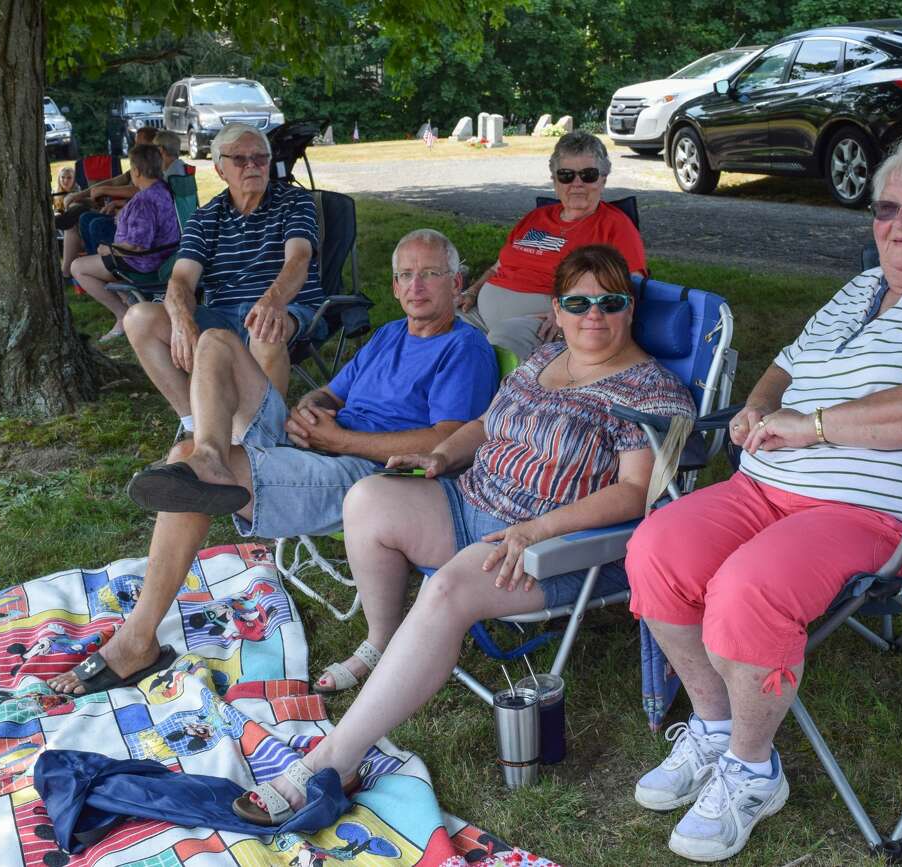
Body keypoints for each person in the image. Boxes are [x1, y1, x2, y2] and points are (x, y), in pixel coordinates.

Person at [623, 137, 902, 863]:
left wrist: (817, 428)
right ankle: (714, 724)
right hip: (767, 485)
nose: (900, 225)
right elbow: (784, 370)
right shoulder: (859, 290)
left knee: (747, 588)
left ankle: (754, 771)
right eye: (887, 209)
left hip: (890, 516)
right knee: (656, 549)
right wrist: (755, 411)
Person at [229, 245, 695, 825]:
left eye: (610, 301)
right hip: (470, 499)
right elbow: (482, 423)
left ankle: (333, 760)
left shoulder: (652, 392)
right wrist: (439, 455)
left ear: (630, 309)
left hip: (552, 544)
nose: (592, 314)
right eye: (578, 301)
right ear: (557, 307)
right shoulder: (544, 357)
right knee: (368, 498)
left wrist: (536, 528)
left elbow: (634, 493)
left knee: (446, 590)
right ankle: (384, 640)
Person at [46, 229, 498, 697]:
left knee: (180, 462)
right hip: (316, 444)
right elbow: (333, 391)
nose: (416, 286)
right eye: (406, 275)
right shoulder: (390, 334)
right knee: (217, 340)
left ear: (457, 281)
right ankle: (210, 455)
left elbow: (447, 441)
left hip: (372, 478)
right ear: (395, 286)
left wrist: (339, 438)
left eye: (430, 274)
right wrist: (310, 407)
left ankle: (136, 640)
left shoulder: (464, 349)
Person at [124, 122, 329, 424]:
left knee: (265, 328)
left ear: (270, 163)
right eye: (240, 159)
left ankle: (262, 437)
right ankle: (198, 425)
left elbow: (298, 258)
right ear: (220, 170)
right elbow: (181, 279)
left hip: (286, 307)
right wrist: (181, 321)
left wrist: (271, 302)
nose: (252, 165)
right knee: (138, 318)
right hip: (223, 315)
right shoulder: (205, 217)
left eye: (260, 157)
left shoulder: (294, 202)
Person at [457, 131, 647, 360]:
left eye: (588, 175)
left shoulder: (615, 226)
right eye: (566, 175)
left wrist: (571, 314)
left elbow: (632, 285)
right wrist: (472, 291)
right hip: (480, 313)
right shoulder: (536, 218)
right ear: (555, 181)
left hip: (546, 323)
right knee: (436, 324)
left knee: (498, 349)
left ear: (603, 179)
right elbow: (497, 268)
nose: (577, 184)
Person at [69, 144, 181, 343]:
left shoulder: (144, 201)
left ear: (136, 171)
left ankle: (122, 314)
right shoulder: (161, 189)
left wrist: (109, 249)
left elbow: (138, 246)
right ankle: (126, 300)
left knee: (78, 267)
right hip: (162, 256)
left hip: (142, 263)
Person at [57, 125, 160, 281]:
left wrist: (111, 197)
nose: (136, 146)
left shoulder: (153, 177)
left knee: (94, 223)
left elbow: (141, 192)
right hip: (129, 220)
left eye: (141, 143)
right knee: (85, 217)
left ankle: (102, 272)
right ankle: (93, 269)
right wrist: (82, 194)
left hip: (138, 242)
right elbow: (118, 181)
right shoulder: (144, 168)